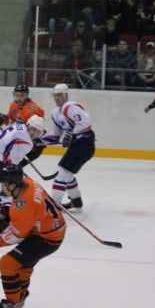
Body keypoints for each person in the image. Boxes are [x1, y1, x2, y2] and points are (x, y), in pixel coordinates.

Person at [0, 164, 66, 308]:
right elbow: (24, 211)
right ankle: (20, 295)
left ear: (12, 185)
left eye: (4, 185)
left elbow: (17, 233)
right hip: (48, 228)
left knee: (7, 263)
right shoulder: (28, 182)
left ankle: (13, 306)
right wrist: (8, 213)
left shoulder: (25, 205)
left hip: (47, 237)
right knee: (23, 265)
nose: (2, 189)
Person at [0, 116, 46, 236]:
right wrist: (15, 172)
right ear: (28, 125)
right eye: (33, 129)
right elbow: (11, 163)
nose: (34, 133)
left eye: (38, 131)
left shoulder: (19, 126)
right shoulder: (28, 143)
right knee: (9, 193)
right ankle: (4, 225)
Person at [43, 84, 95, 212]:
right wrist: (38, 141)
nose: (56, 98)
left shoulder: (70, 107)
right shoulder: (55, 113)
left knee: (62, 172)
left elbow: (85, 123)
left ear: (66, 95)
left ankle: (53, 207)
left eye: (59, 95)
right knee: (66, 173)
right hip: (77, 144)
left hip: (85, 142)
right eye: (55, 95)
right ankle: (77, 203)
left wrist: (71, 135)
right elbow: (55, 135)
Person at [0, 84, 46, 166]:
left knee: (14, 166)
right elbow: (12, 121)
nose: (19, 97)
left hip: (34, 143)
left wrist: (36, 140)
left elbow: (36, 128)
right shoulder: (13, 105)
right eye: (17, 95)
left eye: (21, 95)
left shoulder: (33, 108)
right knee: (10, 165)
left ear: (26, 95)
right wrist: (1, 118)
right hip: (21, 140)